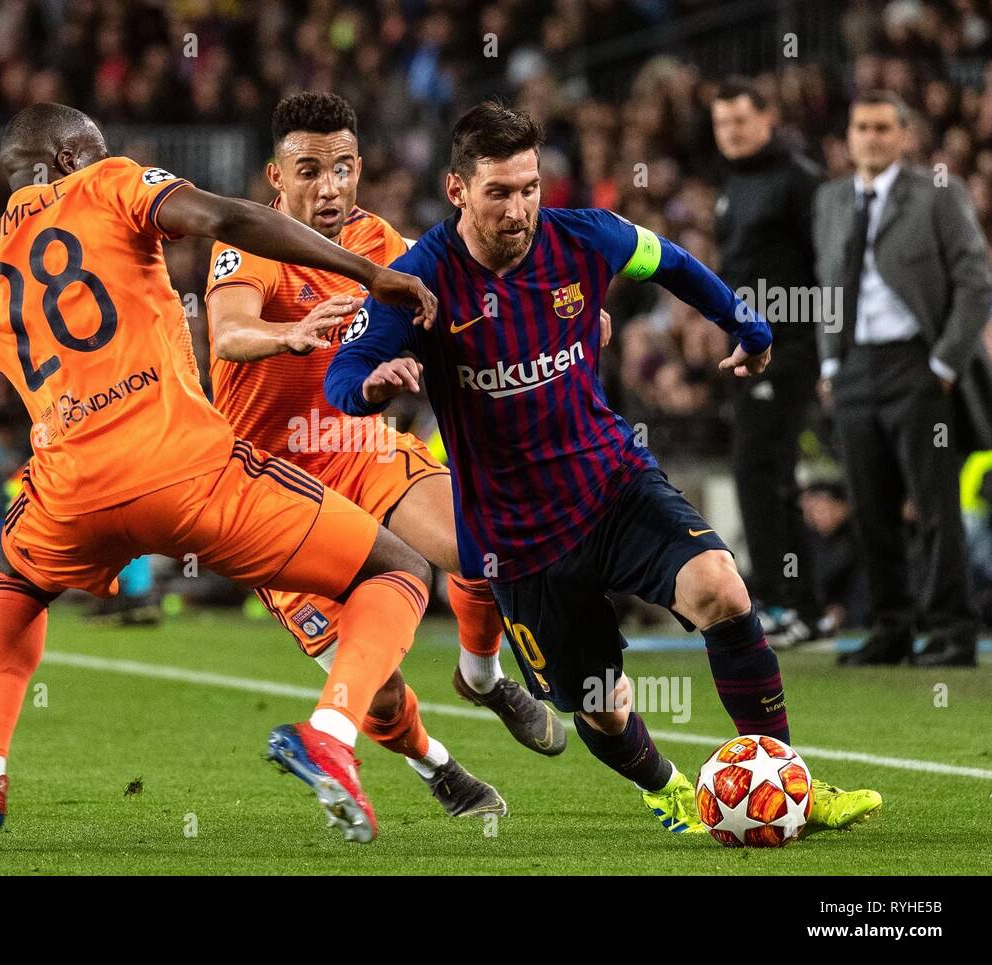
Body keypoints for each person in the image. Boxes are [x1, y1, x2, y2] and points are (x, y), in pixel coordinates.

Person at [0, 103, 441, 847]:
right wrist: (368, 271)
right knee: (398, 570)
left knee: (14, 588)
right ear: (74, 155)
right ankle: (330, 732)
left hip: (70, 497)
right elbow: (227, 218)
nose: (109, 158)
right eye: (97, 151)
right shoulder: (111, 184)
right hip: (187, 471)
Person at [325, 101, 881, 836]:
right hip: (519, 539)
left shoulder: (588, 236)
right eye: (500, 192)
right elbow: (342, 376)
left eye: (529, 188)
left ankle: (791, 784)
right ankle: (670, 790)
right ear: (458, 190)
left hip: (612, 484)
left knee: (720, 586)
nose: (519, 208)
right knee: (600, 703)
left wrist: (747, 325)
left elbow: (674, 262)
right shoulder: (417, 279)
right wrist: (373, 385)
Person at [206, 92, 564, 819]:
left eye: (342, 168)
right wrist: (289, 335)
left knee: (483, 543)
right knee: (377, 682)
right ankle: (435, 763)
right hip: (268, 480)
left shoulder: (382, 244)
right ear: (276, 177)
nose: (329, 186)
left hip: (355, 445)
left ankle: (483, 674)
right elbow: (228, 332)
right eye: (309, 170)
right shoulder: (249, 245)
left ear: (360, 167)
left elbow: (456, 320)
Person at [813, 90, 992, 668]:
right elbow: (826, 287)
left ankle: (951, 631)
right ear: (848, 135)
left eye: (883, 127)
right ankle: (890, 627)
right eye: (861, 127)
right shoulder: (832, 199)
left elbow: (975, 281)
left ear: (903, 135)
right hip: (856, 369)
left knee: (934, 505)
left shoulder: (938, 194)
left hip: (918, 366)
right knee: (870, 507)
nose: (871, 137)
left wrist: (945, 363)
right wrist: (830, 363)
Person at [711, 78, 825, 647]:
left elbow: (827, 265)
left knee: (760, 470)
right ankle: (797, 605)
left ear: (767, 119)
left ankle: (789, 604)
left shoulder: (800, 181)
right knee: (767, 473)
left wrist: (827, 353)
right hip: (748, 349)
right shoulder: (733, 183)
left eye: (739, 120)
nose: (730, 132)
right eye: (721, 123)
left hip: (791, 348)